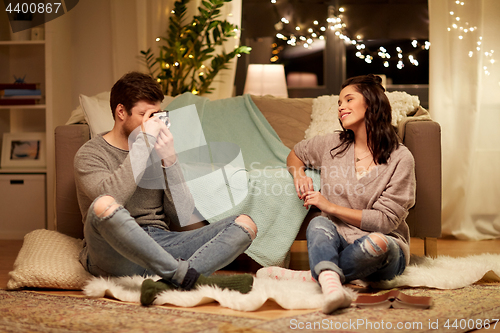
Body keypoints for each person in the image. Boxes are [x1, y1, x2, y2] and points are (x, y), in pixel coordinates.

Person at [74, 72, 257, 306]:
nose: (153, 123)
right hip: (113, 251)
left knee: (245, 224)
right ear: (121, 112)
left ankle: (164, 284)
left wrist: (169, 160)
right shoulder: (90, 154)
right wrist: (142, 146)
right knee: (103, 204)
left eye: (156, 115)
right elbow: (114, 197)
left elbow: (182, 213)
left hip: (160, 242)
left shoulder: (156, 150)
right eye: (144, 115)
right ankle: (187, 277)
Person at [258, 74, 416, 314]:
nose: (341, 107)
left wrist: (328, 205)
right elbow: (296, 153)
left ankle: (315, 276)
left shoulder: (401, 158)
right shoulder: (332, 145)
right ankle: (333, 284)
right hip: (338, 239)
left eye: (348, 99)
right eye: (339, 103)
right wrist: (299, 174)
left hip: (385, 246)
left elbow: (385, 222)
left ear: (371, 103)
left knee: (378, 244)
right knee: (319, 223)